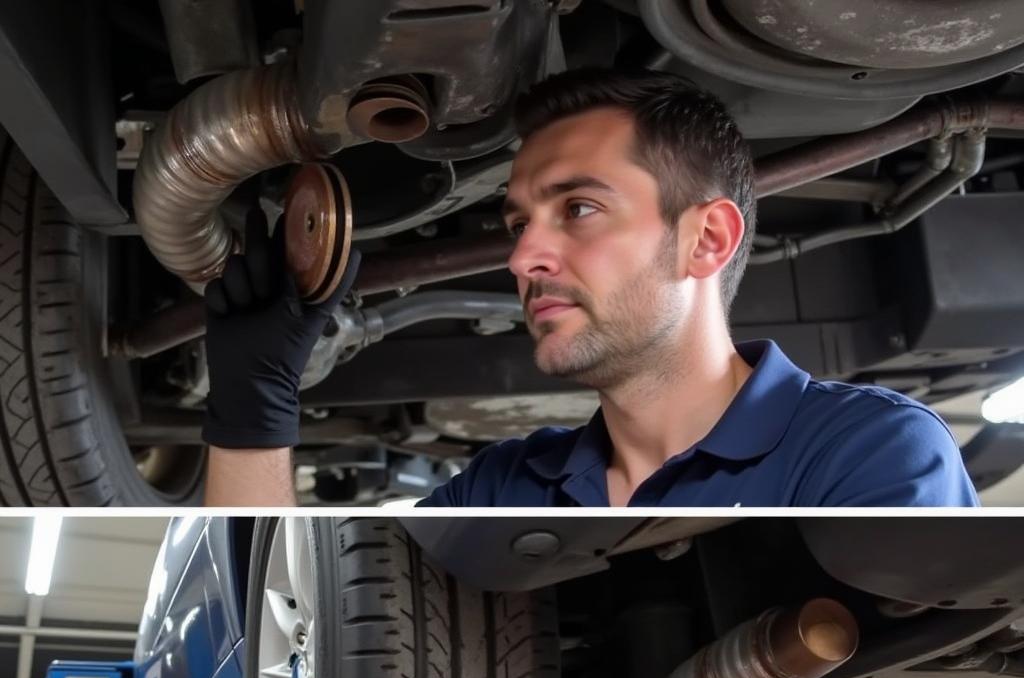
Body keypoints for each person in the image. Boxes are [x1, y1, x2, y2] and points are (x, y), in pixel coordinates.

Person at [200, 67, 978, 508]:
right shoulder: (505, 490)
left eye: (578, 208)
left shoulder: (863, 453)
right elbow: (325, 629)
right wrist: (252, 410)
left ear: (705, 239)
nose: (523, 257)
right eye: (518, 223)